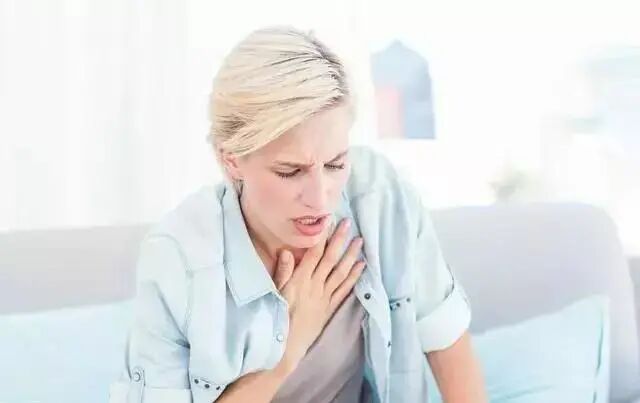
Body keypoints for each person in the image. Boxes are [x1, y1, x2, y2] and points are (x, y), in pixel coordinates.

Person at [109, 26, 487, 403]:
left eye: (335, 164)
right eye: (290, 171)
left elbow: (446, 337)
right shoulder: (178, 258)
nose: (320, 199)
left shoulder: (378, 196)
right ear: (231, 160)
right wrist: (287, 350)